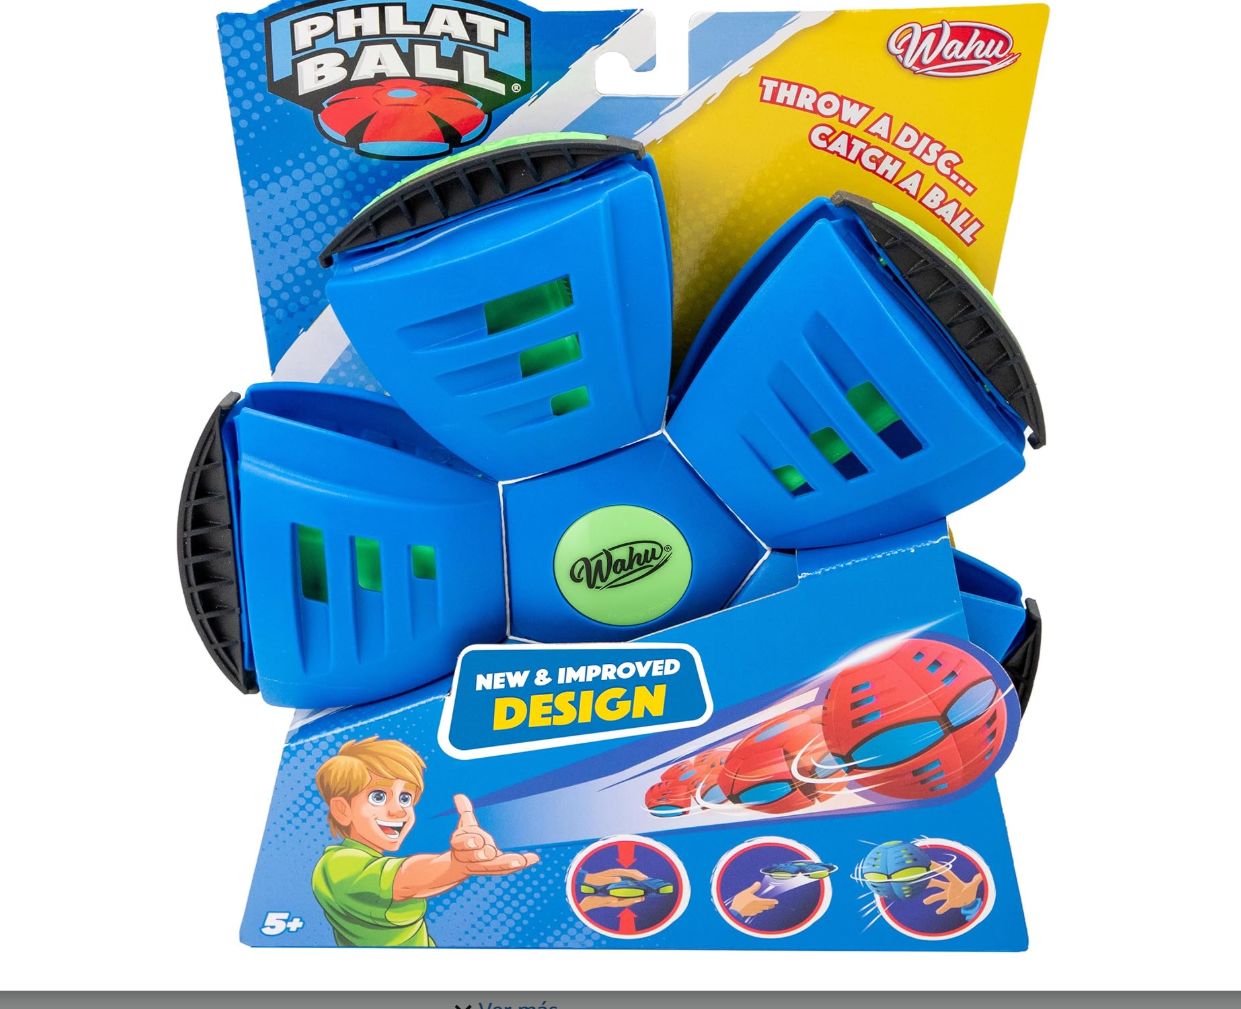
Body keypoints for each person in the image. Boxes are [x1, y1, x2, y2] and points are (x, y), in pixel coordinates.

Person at [311, 736, 538, 947]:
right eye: (378, 796)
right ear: (342, 810)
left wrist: (459, 868)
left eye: (405, 798)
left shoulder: (363, 864)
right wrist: (456, 864)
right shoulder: (337, 865)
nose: (399, 810)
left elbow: (421, 883)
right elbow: (404, 878)